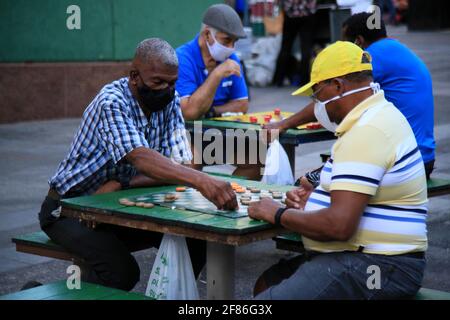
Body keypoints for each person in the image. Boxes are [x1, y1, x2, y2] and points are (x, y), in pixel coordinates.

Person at [38, 38, 238, 291]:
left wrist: (122, 183)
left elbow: (182, 164)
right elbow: (141, 157)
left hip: (118, 203)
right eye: (158, 82)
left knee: (195, 239)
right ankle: (39, 293)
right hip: (69, 208)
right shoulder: (111, 102)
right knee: (121, 273)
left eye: (172, 82)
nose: (166, 89)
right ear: (134, 76)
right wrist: (202, 181)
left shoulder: (168, 101)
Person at [248, 41, 428, 299]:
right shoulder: (373, 117)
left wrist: (277, 213)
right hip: (369, 259)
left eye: (317, 93)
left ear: (338, 86)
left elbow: (339, 226)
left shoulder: (369, 130)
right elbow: (352, 198)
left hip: (380, 265)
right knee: (267, 283)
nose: (317, 104)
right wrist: (313, 204)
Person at [264, 12, 436, 181]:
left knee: (304, 185)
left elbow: (329, 93)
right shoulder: (394, 49)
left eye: (345, 43)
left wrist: (285, 123)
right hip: (421, 155)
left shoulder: (369, 57)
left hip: (402, 160)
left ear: (358, 41)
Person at [176, 4, 263, 180]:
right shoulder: (182, 58)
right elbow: (190, 112)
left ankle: (228, 196)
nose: (231, 47)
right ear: (207, 34)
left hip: (215, 133)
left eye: (234, 42)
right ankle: (189, 204)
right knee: (190, 160)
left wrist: (211, 111)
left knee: (255, 157)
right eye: (226, 40)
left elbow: (241, 104)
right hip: (184, 134)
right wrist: (216, 74)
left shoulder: (231, 58)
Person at [272, 0, 317, 87]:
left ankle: (278, 79)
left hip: (290, 13)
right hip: (307, 13)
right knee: (306, 48)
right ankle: (304, 80)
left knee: (285, 47)